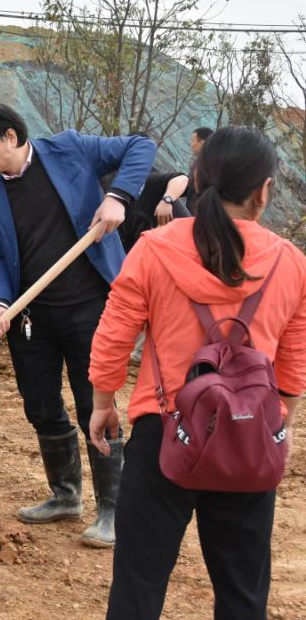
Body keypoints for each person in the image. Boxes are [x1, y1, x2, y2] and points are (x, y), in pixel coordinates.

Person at [89, 126, 306, 619]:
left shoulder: (155, 248)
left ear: (198, 180)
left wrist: (104, 402)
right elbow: (293, 363)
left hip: (163, 434)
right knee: (243, 592)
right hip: (249, 439)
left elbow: (114, 337)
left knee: (138, 586)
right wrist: (280, 423)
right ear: (264, 190)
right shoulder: (292, 263)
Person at [0, 103, 154, 547]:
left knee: (94, 403)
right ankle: (65, 495)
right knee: (40, 403)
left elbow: (141, 146)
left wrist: (118, 197)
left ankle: (112, 509)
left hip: (91, 308)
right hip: (31, 315)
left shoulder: (69, 150)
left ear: (10, 136)